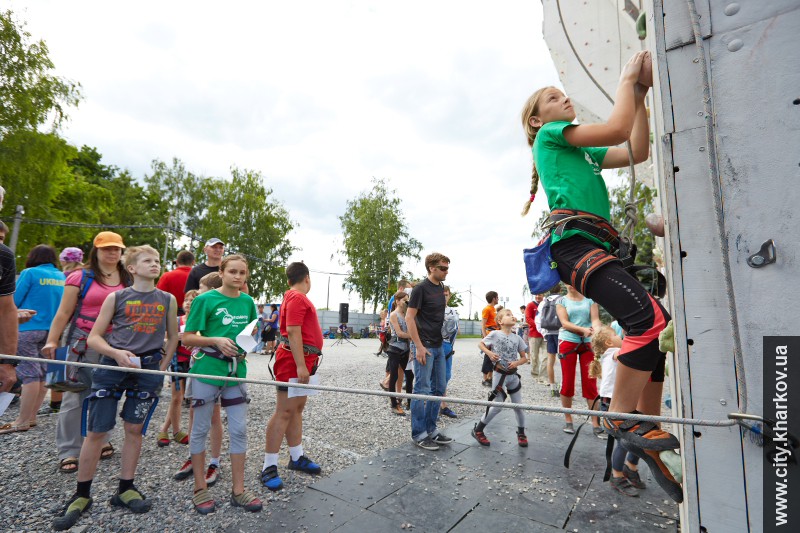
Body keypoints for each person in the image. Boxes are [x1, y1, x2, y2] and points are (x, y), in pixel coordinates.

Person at [520, 51, 678, 499]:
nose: (564, 98)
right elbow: (613, 128)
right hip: (574, 245)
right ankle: (623, 419)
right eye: (554, 97)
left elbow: (635, 147)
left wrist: (641, 97)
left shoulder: (582, 153)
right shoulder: (551, 136)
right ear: (537, 120)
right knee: (647, 322)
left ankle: (645, 429)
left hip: (594, 245)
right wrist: (628, 78)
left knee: (656, 326)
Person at [52, 245, 179, 530]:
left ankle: (126, 488)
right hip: (112, 368)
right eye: (148, 260)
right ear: (131, 268)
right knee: (97, 430)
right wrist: (116, 354)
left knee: (134, 429)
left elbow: (173, 336)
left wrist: (162, 366)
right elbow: (94, 338)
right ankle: (81, 494)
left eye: (157, 260)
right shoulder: (116, 297)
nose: (155, 264)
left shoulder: (168, 299)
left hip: (147, 370)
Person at [43, 231, 132, 473]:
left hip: (116, 343)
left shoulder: (128, 277)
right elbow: (63, 313)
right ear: (97, 250)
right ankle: (69, 449)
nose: (113, 253)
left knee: (108, 392)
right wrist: (52, 341)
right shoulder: (79, 277)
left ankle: (101, 438)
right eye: (107, 248)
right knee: (75, 393)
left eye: (117, 248)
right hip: (81, 342)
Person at [182, 254, 262, 514]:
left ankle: (238, 490)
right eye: (233, 272)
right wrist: (215, 340)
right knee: (200, 429)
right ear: (222, 271)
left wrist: (244, 347)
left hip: (236, 373)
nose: (238, 276)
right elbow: (187, 338)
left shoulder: (249, 302)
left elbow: (251, 334)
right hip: (207, 370)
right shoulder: (205, 300)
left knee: (239, 430)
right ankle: (199, 488)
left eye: (242, 272)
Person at [261, 262, 323, 491]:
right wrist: (300, 365)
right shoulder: (297, 297)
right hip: (294, 361)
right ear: (307, 277)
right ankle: (269, 465)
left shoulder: (292, 295)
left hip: (304, 359)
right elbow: (294, 330)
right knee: (284, 411)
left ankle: (296, 457)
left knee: (296, 409)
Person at [0, 245, 65, 434]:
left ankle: (21, 420)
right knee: (43, 374)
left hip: (27, 327)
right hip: (51, 332)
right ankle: (32, 417)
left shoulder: (30, 273)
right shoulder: (62, 277)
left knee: (29, 374)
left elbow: (12, 302)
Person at [589, 326, 645, 497]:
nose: (619, 336)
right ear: (608, 342)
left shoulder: (609, 354)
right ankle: (617, 474)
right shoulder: (613, 352)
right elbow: (627, 353)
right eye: (615, 334)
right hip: (612, 405)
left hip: (620, 402)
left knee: (638, 437)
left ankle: (630, 467)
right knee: (624, 441)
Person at [406, 252, 453, 451]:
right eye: (443, 268)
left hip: (438, 345)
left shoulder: (441, 288)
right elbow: (409, 318)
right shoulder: (419, 289)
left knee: (439, 387)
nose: (446, 272)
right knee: (421, 389)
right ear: (431, 268)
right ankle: (418, 433)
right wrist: (418, 346)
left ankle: (431, 430)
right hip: (424, 345)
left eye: (447, 268)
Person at [472, 308, 530, 447]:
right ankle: (478, 430)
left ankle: (521, 432)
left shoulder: (517, 338)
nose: (512, 316)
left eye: (512, 314)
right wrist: (489, 353)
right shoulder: (495, 334)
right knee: (498, 406)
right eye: (508, 315)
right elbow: (481, 344)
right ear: (500, 321)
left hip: (513, 376)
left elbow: (524, 358)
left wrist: (516, 362)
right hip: (499, 375)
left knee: (518, 407)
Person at [555, 285, 602, 435]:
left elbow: (595, 320)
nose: (571, 284)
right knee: (568, 381)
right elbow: (564, 323)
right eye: (567, 281)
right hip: (568, 341)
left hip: (587, 343)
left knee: (591, 382)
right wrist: (583, 330)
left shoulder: (590, 300)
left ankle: (595, 421)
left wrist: (597, 330)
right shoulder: (561, 301)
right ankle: (568, 420)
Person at [156, 289, 198, 447]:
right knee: (176, 397)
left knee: (192, 398)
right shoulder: (177, 319)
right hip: (177, 360)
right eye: (186, 300)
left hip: (194, 361)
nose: (188, 303)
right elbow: (165, 337)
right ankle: (174, 430)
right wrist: (177, 338)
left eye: (193, 300)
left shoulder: (200, 320)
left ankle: (167, 429)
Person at [386, 290, 411, 416]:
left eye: (407, 299)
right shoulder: (393, 315)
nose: (406, 301)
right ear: (397, 301)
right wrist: (413, 336)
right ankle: (393, 404)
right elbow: (400, 333)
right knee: (394, 376)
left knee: (409, 375)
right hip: (395, 348)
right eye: (404, 299)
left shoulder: (407, 314)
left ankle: (409, 401)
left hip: (406, 348)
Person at [536, 288, 563, 397]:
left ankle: (552, 387)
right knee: (563, 361)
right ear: (560, 289)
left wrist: (544, 333)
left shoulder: (543, 302)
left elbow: (538, 320)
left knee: (550, 361)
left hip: (549, 333)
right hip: (561, 333)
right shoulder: (562, 300)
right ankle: (562, 386)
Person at [439, 285, 459, 419]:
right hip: (435, 344)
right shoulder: (431, 309)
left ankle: (443, 404)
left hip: (447, 346)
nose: (444, 297)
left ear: (449, 295)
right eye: (442, 294)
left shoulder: (453, 311)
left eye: (446, 295)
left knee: (446, 375)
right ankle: (431, 405)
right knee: (433, 376)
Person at [480, 291, 499, 386]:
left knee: (494, 356)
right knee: (488, 356)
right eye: (497, 297)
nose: (498, 299)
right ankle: (484, 379)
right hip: (489, 334)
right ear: (494, 298)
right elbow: (483, 324)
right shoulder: (487, 309)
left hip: (495, 334)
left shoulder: (494, 309)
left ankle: (490, 377)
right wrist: (485, 338)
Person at [525, 294, 546, 381]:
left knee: (546, 356)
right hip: (534, 334)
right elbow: (528, 318)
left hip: (545, 334)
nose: (538, 297)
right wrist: (538, 326)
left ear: (543, 295)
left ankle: (543, 376)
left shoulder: (546, 304)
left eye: (540, 295)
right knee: (534, 355)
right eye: (536, 295)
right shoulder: (530, 305)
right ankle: (535, 373)